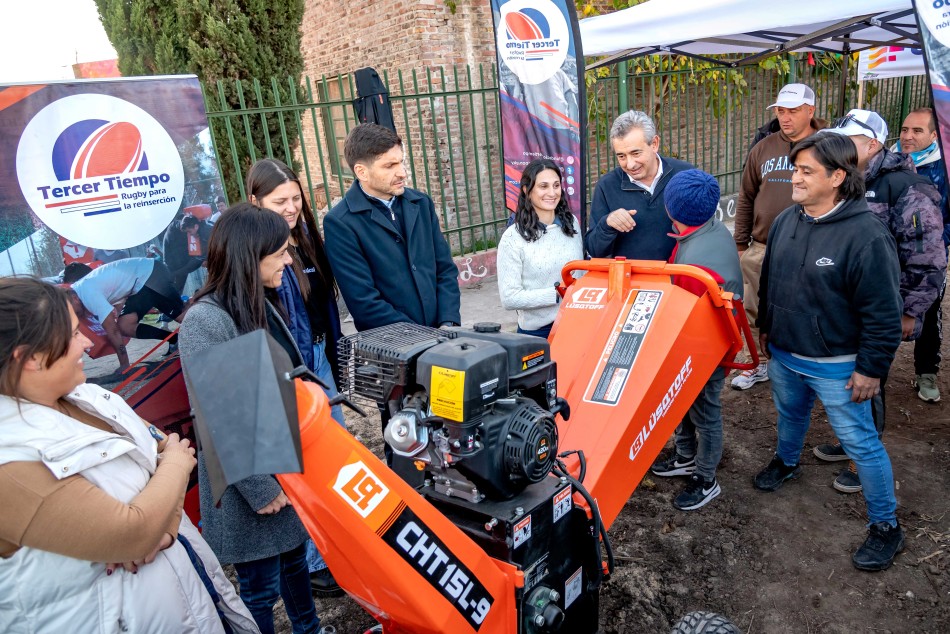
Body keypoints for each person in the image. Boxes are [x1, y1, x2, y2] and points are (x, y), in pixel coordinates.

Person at [0, 277, 256, 633]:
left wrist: (158, 523)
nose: (87, 342)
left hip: (185, 600)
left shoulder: (92, 398)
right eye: (73, 334)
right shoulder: (10, 463)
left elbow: (165, 449)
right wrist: (174, 469)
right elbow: (138, 525)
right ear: (30, 358)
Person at [753, 133, 905, 571]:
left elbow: (884, 313)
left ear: (838, 177)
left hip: (837, 366)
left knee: (861, 443)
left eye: (807, 171)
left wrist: (871, 368)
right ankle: (787, 462)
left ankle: (886, 526)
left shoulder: (867, 236)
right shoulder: (786, 220)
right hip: (786, 353)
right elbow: (770, 282)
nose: (795, 178)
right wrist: (767, 329)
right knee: (790, 415)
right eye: (795, 169)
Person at [178, 204, 329, 634]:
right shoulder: (206, 321)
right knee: (261, 589)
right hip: (252, 480)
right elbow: (221, 417)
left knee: (295, 563)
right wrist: (261, 489)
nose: (288, 261)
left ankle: (309, 630)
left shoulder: (259, 300)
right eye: (279, 253)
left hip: (282, 463)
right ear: (249, 256)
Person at [815, 109, 946, 493]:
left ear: (872, 145)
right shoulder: (842, 180)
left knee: (868, 379)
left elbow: (927, 257)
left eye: (847, 141)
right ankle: (849, 441)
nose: (836, 147)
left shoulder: (907, 188)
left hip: (880, 308)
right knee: (846, 379)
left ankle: (863, 459)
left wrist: (910, 310)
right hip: (843, 306)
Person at [246, 157, 345, 597]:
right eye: (279, 201)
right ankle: (315, 563)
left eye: (296, 199)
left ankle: (335, 548)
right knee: (305, 466)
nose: (290, 208)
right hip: (292, 370)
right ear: (255, 202)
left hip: (318, 359)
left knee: (335, 455)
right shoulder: (254, 251)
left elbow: (323, 304)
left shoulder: (304, 236)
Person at [649, 170, 742, 511]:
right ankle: (686, 455)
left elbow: (683, 315)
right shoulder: (710, 229)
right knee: (684, 402)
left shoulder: (696, 263)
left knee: (705, 411)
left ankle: (705, 478)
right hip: (708, 341)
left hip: (703, 351)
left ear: (671, 209)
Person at [732, 83, 827, 390]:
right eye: (781, 111)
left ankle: (803, 367)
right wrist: (740, 243)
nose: (785, 118)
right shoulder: (763, 148)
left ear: (810, 111)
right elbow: (746, 196)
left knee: (805, 307)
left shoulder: (827, 146)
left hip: (810, 246)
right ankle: (759, 363)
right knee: (754, 307)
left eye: (793, 111)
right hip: (762, 246)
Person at [324, 123, 461, 332]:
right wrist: (421, 336)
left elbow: (445, 269)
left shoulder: (421, 203)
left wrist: (448, 322)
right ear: (362, 172)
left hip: (442, 334)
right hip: (391, 344)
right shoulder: (341, 223)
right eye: (390, 166)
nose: (402, 173)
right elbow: (363, 301)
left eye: (401, 162)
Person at [894, 107, 950, 403]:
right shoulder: (888, 163)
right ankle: (873, 370)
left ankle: (926, 372)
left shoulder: (944, 168)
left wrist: (935, 244)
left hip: (929, 261)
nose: (907, 136)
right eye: (905, 129)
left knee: (928, 312)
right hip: (890, 257)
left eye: (917, 131)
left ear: (933, 135)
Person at [585, 110, 694, 261]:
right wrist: (607, 224)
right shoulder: (606, 186)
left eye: (635, 153)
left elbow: (706, 229)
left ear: (654, 144)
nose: (630, 164)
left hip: (683, 272)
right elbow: (594, 250)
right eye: (621, 156)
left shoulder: (685, 174)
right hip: (631, 276)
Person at [496, 159, 582, 338]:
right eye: (543, 186)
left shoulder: (572, 223)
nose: (552, 193)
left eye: (556, 185)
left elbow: (580, 273)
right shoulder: (512, 238)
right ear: (527, 190)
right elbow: (509, 298)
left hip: (577, 321)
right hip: (539, 332)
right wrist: (557, 294)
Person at [68, 256, 184, 371]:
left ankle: (193, 337)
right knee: (125, 325)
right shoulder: (77, 290)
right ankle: (176, 339)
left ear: (75, 299)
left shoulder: (88, 295)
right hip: (141, 282)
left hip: (151, 273)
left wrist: (124, 365)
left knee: (181, 317)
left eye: (72, 310)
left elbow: (113, 331)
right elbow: (118, 301)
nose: (73, 314)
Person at [163, 215, 206, 294]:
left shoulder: (202, 230)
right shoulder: (173, 229)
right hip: (173, 265)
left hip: (182, 265)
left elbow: (196, 262)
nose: (190, 234)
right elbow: (167, 254)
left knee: (177, 288)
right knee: (171, 288)